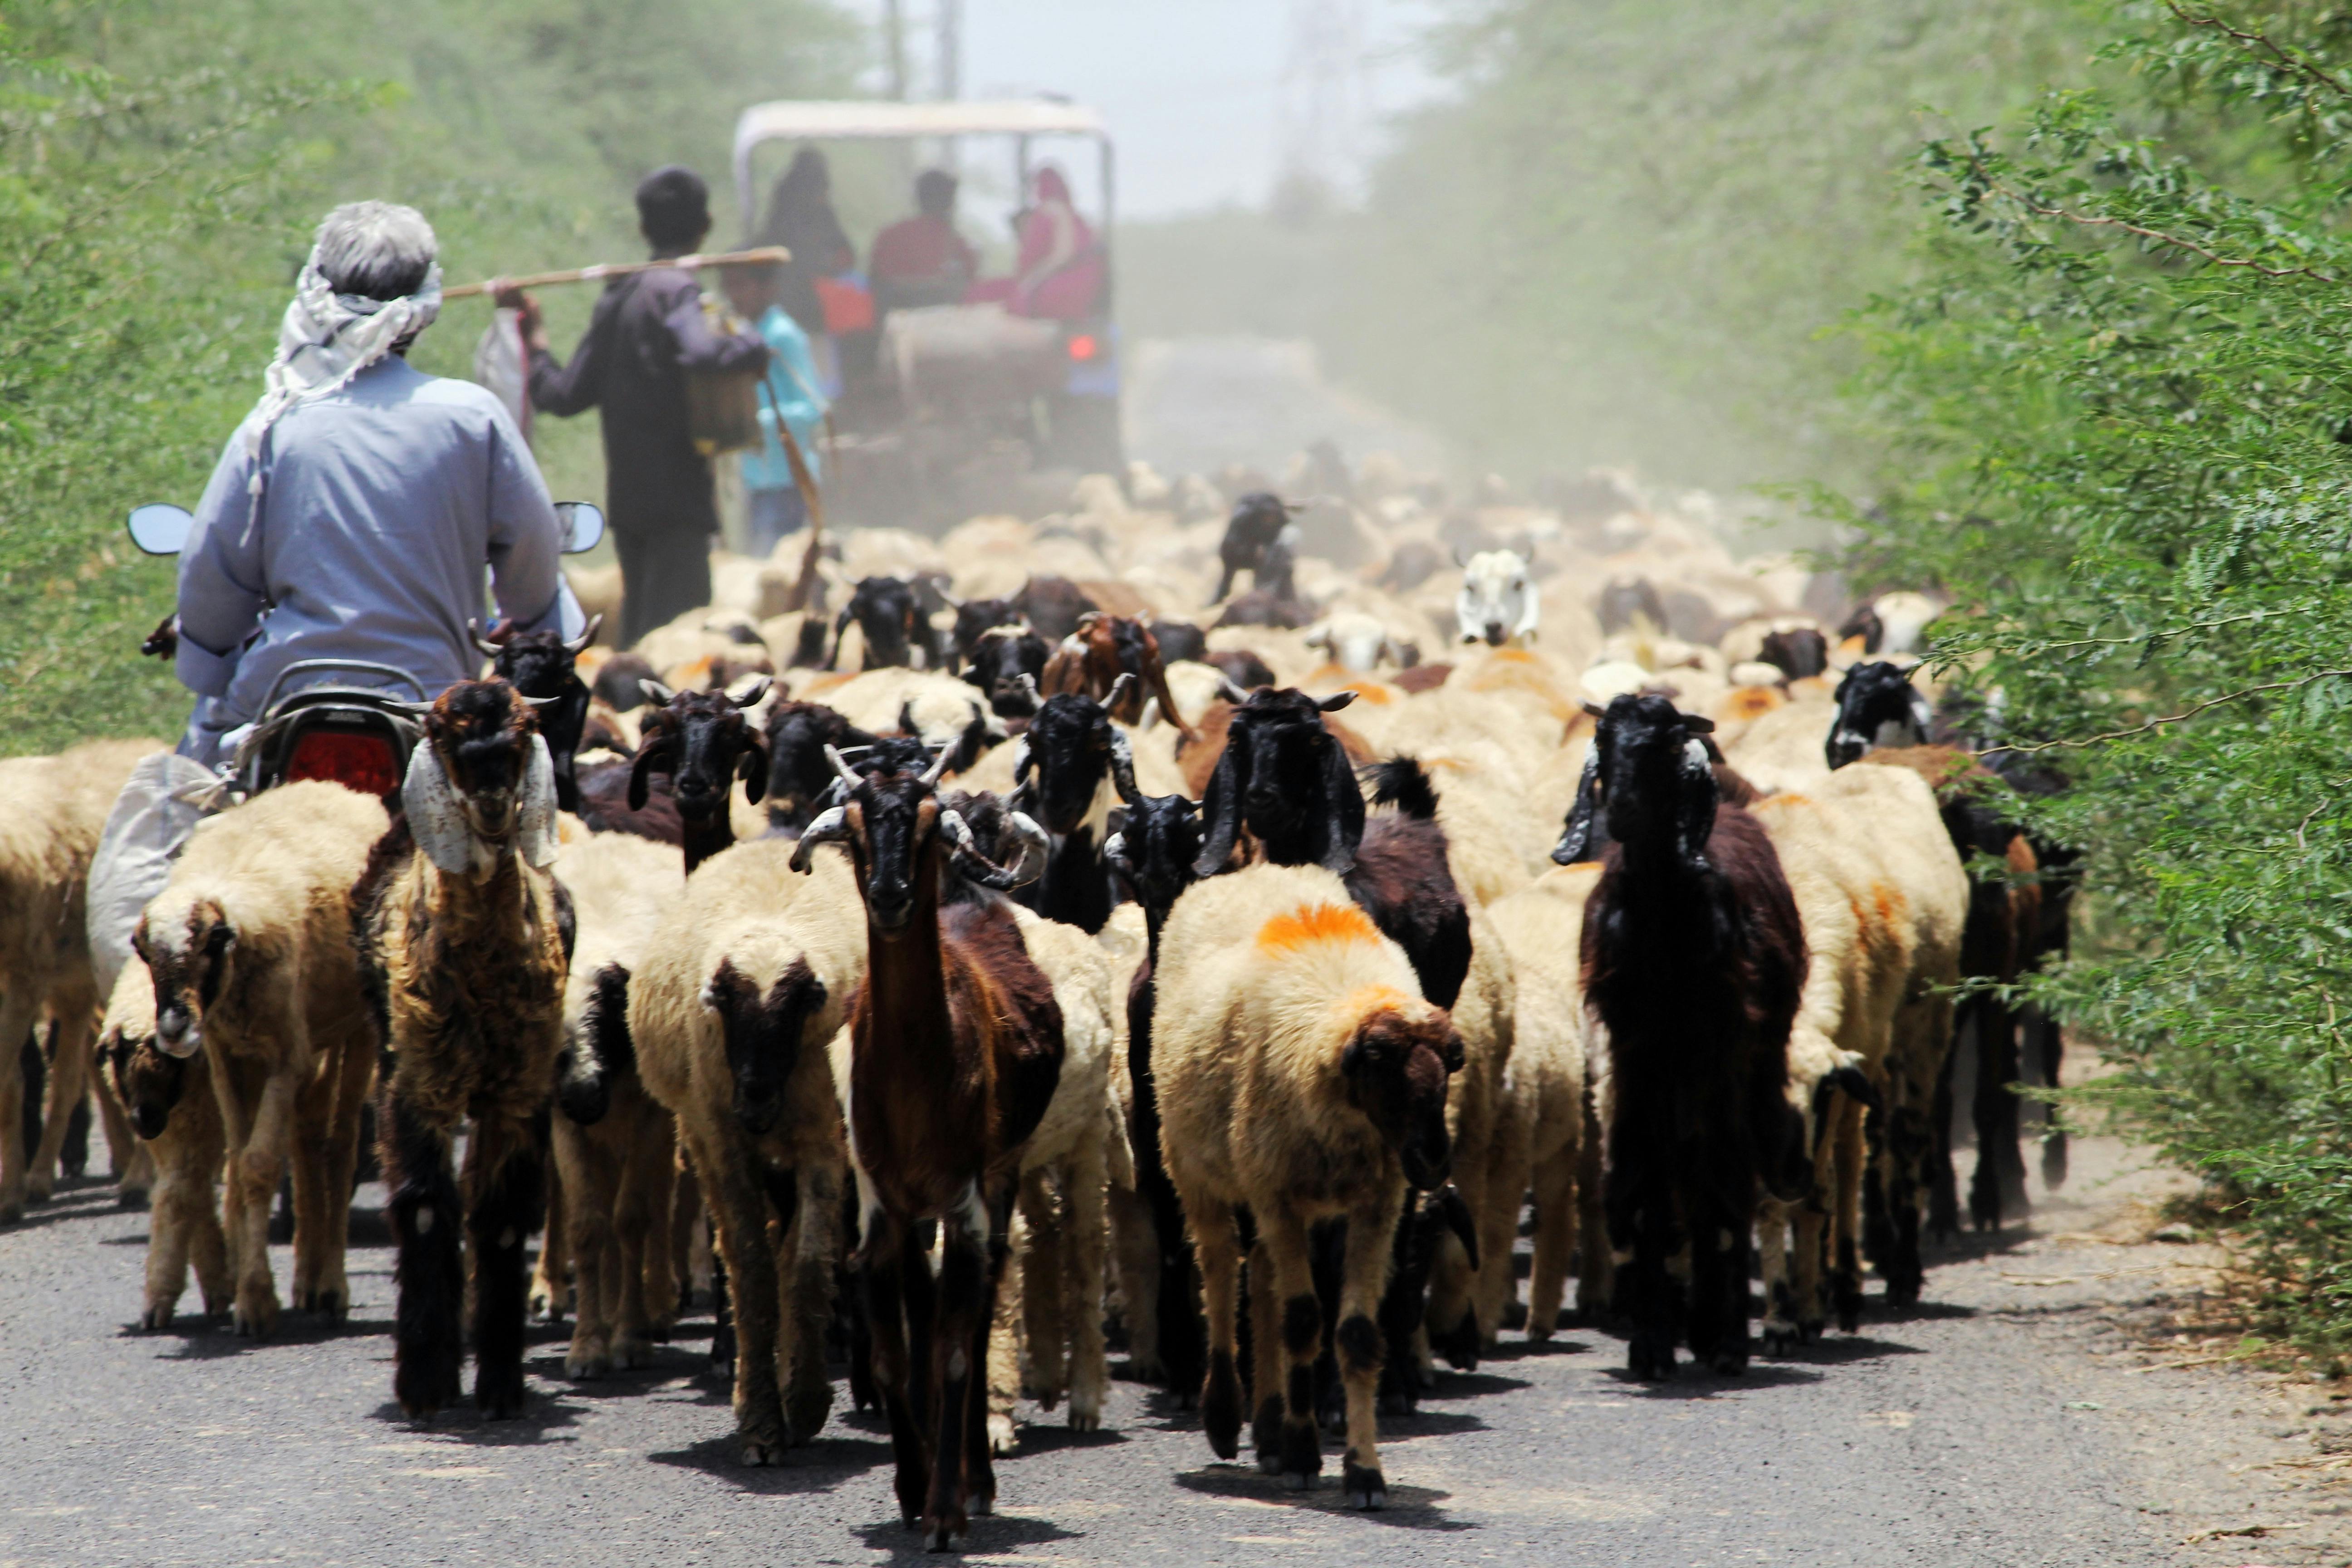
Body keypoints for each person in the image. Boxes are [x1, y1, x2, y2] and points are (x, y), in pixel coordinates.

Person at [173, 200, 583, 767]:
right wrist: (535, 622)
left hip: (282, 697)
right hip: (437, 703)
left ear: (317, 295)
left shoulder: (273, 425)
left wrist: (210, 664)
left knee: (186, 795)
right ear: (424, 306)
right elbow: (532, 566)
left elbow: (212, 578)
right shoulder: (474, 418)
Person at [503, 166, 770, 647]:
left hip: (631, 506)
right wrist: (751, 346)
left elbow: (562, 395)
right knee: (680, 643)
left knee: (644, 630)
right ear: (705, 226)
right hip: (680, 505)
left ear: (644, 228)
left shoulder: (619, 297)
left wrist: (535, 340)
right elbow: (701, 352)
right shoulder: (679, 290)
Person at [719, 261, 828, 559]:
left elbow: (813, 408)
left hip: (788, 481)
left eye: (741, 286)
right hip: (758, 482)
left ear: (768, 288)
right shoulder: (743, 334)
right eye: (729, 287)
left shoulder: (783, 335)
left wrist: (755, 422)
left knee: (778, 564)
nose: (733, 296)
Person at [967, 165, 1104, 321]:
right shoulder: (1080, 221)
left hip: (1054, 290)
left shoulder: (1052, 211)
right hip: (1080, 292)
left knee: (985, 294)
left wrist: (1030, 283)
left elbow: (1061, 255)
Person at [755, 147, 856, 339]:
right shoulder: (793, 210)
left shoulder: (822, 214)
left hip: (809, 292)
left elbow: (845, 254)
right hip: (793, 289)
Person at [869, 168, 979, 315]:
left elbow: (874, 283)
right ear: (950, 202)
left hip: (892, 320)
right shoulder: (959, 247)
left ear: (918, 198)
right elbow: (970, 291)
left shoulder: (888, 236)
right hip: (942, 324)